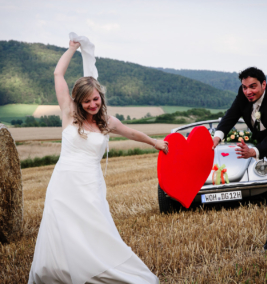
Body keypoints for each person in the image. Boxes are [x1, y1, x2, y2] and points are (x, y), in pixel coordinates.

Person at [28, 40, 168, 284]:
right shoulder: (68, 112)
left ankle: (101, 269)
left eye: (95, 99)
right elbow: (58, 73)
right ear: (78, 102)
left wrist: (154, 143)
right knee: (60, 229)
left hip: (90, 183)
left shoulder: (107, 121)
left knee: (96, 228)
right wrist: (72, 47)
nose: (92, 105)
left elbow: (132, 133)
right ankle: (60, 273)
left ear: (100, 96)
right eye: (86, 102)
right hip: (63, 182)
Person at [212, 67, 267, 251]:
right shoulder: (243, 95)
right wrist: (217, 136)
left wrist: (254, 152)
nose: (248, 92)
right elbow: (231, 115)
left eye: (253, 86)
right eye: (244, 87)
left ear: (264, 84)